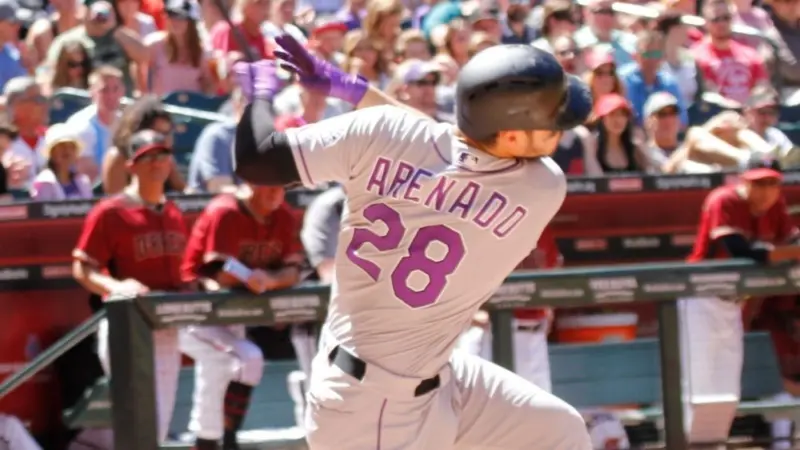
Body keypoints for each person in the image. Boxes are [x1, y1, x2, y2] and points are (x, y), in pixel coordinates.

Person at [232, 36, 594, 449]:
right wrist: (356, 90)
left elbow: (258, 158)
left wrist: (258, 97)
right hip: (375, 411)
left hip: (429, 376)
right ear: (511, 136)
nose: (562, 131)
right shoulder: (541, 186)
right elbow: (442, 148)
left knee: (557, 431)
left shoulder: (381, 131)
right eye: (551, 124)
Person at [72, 130, 188, 444]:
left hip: (166, 327)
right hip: (127, 325)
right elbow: (82, 267)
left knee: (158, 424)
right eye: (148, 157)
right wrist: (116, 285)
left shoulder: (175, 212)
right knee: (140, 421)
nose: (157, 163)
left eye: (162, 156)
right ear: (131, 166)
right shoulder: (111, 211)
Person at [680, 154, 800, 444]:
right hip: (699, 298)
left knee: (726, 388)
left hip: (732, 303)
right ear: (744, 180)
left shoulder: (775, 206)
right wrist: (787, 253)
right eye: (759, 183)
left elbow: (793, 239)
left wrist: (791, 249)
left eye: (772, 184)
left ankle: (713, 442)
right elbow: (739, 250)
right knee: (700, 388)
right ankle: (687, 443)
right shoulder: (724, 200)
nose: (766, 191)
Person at [179, 182, 304, 450]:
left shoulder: (282, 214)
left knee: (221, 371)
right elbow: (219, 274)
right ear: (250, 184)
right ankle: (224, 441)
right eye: (268, 185)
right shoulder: (226, 210)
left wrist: (269, 280)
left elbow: (294, 272)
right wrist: (255, 277)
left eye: (280, 186)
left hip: (230, 313)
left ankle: (209, 441)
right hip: (190, 309)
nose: (275, 191)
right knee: (246, 358)